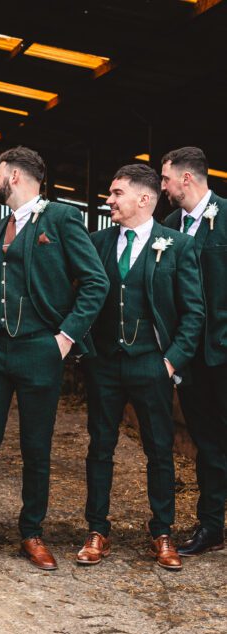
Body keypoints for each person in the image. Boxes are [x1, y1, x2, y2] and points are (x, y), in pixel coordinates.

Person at [0, 146, 109, 573]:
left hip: (41, 349)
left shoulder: (61, 219)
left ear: (17, 176)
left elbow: (95, 282)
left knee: (36, 447)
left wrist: (65, 337)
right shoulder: (1, 223)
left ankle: (31, 533)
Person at [78, 164, 204, 570]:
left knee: (159, 451)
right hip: (103, 366)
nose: (109, 200)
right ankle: (97, 530)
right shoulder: (96, 242)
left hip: (152, 366)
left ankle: (162, 531)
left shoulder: (178, 245)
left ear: (144, 199)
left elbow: (193, 313)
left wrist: (169, 363)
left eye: (117, 193)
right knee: (100, 448)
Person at [161, 146, 227, 556]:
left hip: (224, 351)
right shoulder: (168, 227)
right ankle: (212, 524)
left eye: (166, 179)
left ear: (187, 178)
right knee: (207, 442)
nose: (161, 186)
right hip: (191, 357)